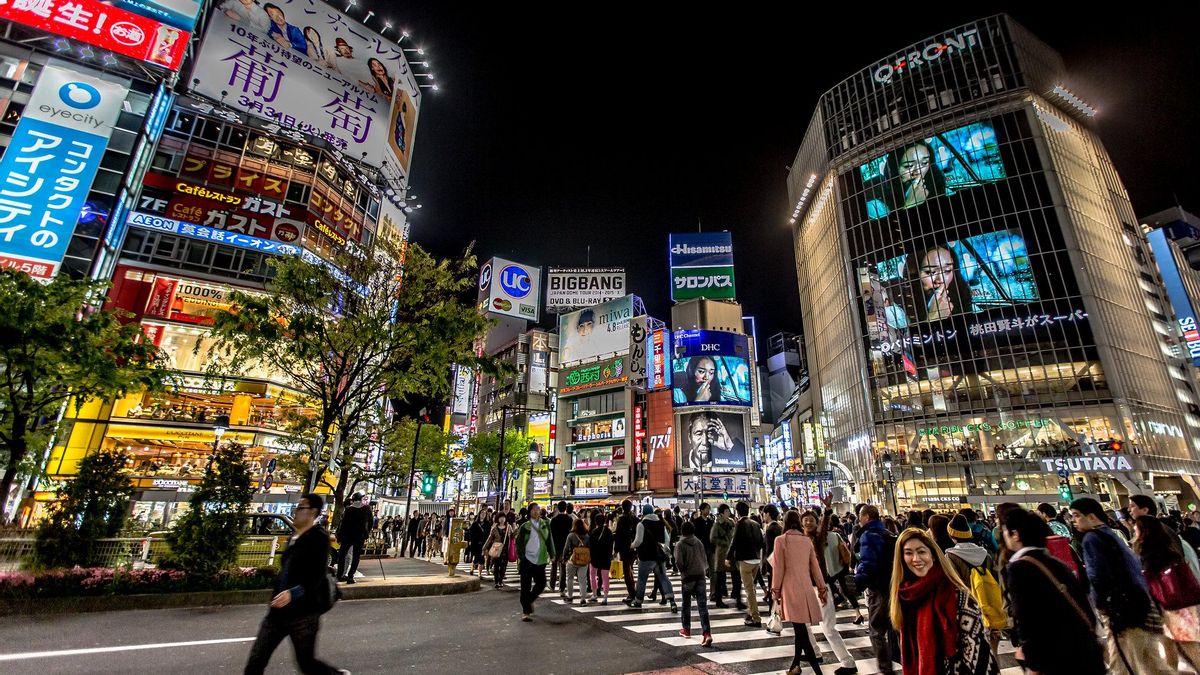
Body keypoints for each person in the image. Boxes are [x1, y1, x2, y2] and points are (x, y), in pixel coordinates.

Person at [244, 493, 347, 675]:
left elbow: (316, 576)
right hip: (277, 610)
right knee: (255, 661)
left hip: (303, 613)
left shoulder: (319, 538)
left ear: (312, 512)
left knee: (306, 663)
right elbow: (287, 569)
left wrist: (292, 593)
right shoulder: (294, 536)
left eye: (301, 507)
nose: (296, 511)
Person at [1071, 497, 1171, 674]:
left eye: (1077, 515)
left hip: (1119, 610)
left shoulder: (1091, 539)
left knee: (1122, 660)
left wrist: (1101, 606)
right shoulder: (1111, 534)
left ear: (1092, 517)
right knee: (1149, 659)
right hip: (1138, 604)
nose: (1073, 520)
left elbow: (1097, 575)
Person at [1001, 508, 1104, 675]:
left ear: (1016, 534)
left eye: (1005, 531)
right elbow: (1085, 605)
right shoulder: (1056, 563)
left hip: (1055, 658)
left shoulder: (1020, 568)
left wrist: (1033, 662)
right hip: (1084, 651)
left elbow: (1027, 618)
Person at [889, 528, 996, 675]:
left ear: (933, 555)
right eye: (908, 553)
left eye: (921, 552)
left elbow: (980, 656)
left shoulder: (958, 595)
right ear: (901, 559)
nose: (916, 559)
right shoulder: (905, 596)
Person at [1133, 514, 1200, 671]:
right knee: (1176, 645)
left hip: (1169, 606)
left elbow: (1149, 582)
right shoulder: (1169, 548)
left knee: (1184, 645)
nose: (1134, 531)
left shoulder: (1149, 554)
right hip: (1180, 604)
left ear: (1144, 531)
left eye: (1137, 528)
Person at [801, 503, 858, 675]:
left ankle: (848, 663)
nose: (808, 522)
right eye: (805, 520)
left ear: (816, 523)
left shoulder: (819, 538)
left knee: (828, 627)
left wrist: (826, 512)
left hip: (821, 587)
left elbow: (824, 527)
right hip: (805, 588)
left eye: (811, 520)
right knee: (802, 624)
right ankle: (814, 653)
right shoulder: (800, 540)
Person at [772, 510, 828, 675]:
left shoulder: (780, 540)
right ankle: (795, 666)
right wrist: (822, 588)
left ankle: (818, 672)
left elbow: (778, 569)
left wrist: (775, 591)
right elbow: (815, 567)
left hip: (790, 589)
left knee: (801, 632)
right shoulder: (806, 541)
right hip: (806, 588)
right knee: (800, 629)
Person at [944, 514, 1004, 655]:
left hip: (969, 606)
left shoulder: (951, 556)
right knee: (993, 643)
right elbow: (997, 578)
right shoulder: (984, 554)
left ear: (952, 535)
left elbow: (954, 583)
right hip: (989, 602)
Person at [854, 505, 898, 675]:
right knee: (894, 627)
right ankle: (902, 661)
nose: (859, 519)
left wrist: (858, 582)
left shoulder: (868, 535)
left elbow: (868, 564)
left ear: (866, 517)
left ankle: (886, 669)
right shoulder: (887, 533)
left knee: (876, 630)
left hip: (878, 587)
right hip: (892, 585)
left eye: (860, 516)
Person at [865, 140, 949, 218]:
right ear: (895, 169)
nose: (918, 172)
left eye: (924, 163)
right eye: (908, 166)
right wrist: (909, 205)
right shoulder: (876, 207)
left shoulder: (942, 189)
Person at [1130, 494, 1200, 577]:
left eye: (1132, 506)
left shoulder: (1159, 530)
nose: (1129, 509)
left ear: (1145, 510)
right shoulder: (1157, 529)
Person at [626, 504, 676, 611]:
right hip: (659, 557)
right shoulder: (660, 523)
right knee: (663, 578)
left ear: (643, 513)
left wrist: (631, 546)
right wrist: (663, 550)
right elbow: (667, 539)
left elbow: (638, 541)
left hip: (646, 556)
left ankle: (638, 600)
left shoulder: (641, 524)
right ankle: (672, 601)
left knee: (642, 579)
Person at [674, 519, 713, 646]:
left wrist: (683, 570)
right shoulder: (699, 542)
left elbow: (679, 562)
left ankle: (686, 629)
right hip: (700, 576)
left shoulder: (680, 544)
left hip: (688, 577)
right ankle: (707, 633)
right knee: (702, 606)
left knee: (686, 604)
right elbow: (704, 558)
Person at [515, 502, 555, 622]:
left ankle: (529, 600)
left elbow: (549, 540)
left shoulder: (545, 524)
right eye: (533, 509)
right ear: (529, 512)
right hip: (527, 560)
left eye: (537, 509)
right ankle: (526, 612)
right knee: (525, 587)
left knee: (541, 583)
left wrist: (552, 554)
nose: (536, 511)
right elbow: (519, 542)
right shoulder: (525, 526)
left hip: (540, 559)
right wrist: (522, 556)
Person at [728, 500, 765, 627]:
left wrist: (728, 557)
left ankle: (756, 618)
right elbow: (761, 541)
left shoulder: (740, 523)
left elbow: (734, 541)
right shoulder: (756, 524)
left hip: (745, 560)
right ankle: (750, 613)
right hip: (756, 559)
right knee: (752, 588)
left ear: (737, 512)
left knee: (749, 590)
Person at [710, 503, 740, 609]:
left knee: (736, 576)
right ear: (721, 513)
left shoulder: (731, 522)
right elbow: (712, 538)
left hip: (731, 553)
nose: (728, 513)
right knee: (720, 579)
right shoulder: (717, 524)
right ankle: (719, 600)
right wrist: (725, 543)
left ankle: (738, 599)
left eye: (728, 511)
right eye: (726, 511)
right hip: (722, 553)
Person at [335, 493, 369, 584]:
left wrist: (340, 536)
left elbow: (344, 524)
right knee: (356, 556)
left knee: (342, 555)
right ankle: (350, 576)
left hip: (348, 536)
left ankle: (339, 575)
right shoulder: (366, 509)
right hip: (360, 536)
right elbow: (370, 522)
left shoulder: (349, 509)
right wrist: (366, 533)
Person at [614, 499, 639, 603]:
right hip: (634, 547)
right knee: (630, 569)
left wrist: (616, 549)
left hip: (624, 548)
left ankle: (632, 593)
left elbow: (618, 535)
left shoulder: (621, 519)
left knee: (627, 571)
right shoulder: (635, 519)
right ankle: (633, 591)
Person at [548, 501, 573, 597]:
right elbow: (571, 533)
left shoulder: (553, 520)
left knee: (554, 566)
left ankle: (552, 585)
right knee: (563, 567)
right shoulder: (569, 519)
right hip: (565, 546)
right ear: (565, 509)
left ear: (558, 508)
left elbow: (551, 534)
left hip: (555, 545)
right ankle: (562, 588)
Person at [588, 512, 614, 605]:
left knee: (592, 575)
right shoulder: (609, 532)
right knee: (605, 577)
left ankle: (594, 594)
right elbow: (611, 545)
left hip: (595, 557)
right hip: (606, 557)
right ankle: (605, 597)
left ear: (596, 522)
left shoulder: (593, 532)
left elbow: (590, 546)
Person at [483, 512, 514, 589]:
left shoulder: (508, 527)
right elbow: (490, 538)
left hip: (505, 550)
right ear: (498, 519)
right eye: (500, 517)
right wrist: (484, 547)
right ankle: (496, 581)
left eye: (503, 517)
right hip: (496, 549)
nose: (502, 519)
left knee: (503, 567)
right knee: (496, 566)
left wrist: (516, 530)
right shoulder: (494, 528)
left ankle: (500, 581)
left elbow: (512, 536)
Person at [563, 518, 591, 605]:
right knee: (582, 580)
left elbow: (566, 548)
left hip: (572, 560)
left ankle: (570, 596)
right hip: (583, 561)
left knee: (570, 578)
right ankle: (583, 599)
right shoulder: (587, 536)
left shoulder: (571, 535)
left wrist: (564, 558)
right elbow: (590, 548)